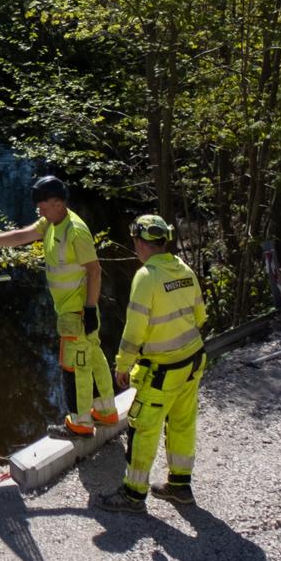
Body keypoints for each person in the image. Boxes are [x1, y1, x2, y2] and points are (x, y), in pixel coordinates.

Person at [0, 175, 118, 437]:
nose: (40, 211)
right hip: (72, 310)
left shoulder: (75, 231)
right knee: (93, 357)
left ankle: (80, 423)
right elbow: (23, 235)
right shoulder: (51, 222)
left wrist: (90, 309)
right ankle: (106, 411)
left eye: (44, 206)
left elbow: (95, 271)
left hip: (77, 312)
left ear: (58, 203)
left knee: (76, 365)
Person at [99, 213, 205, 513]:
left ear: (141, 243)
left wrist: (123, 364)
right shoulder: (183, 268)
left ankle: (133, 495)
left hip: (164, 370)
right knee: (182, 423)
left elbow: (134, 330)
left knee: (142, 428)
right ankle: (180, 486)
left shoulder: (147, 277)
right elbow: (200, 316)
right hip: (193, 360)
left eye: (135, 241)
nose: (135, 247)